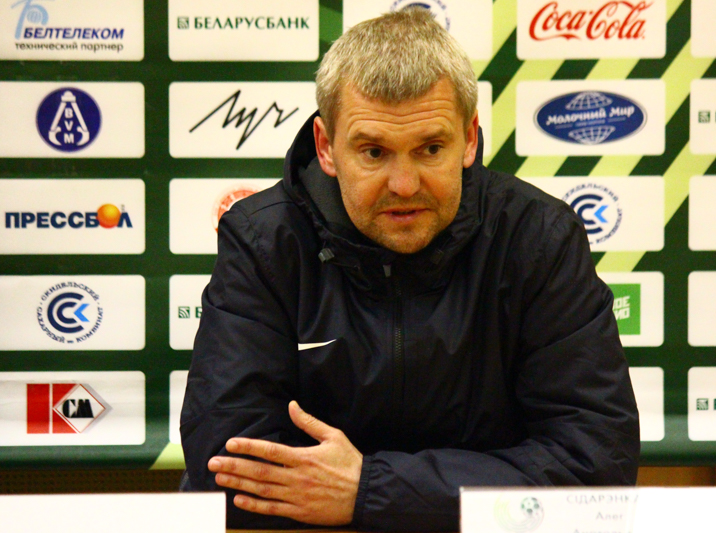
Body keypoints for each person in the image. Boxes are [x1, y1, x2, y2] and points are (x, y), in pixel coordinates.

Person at [180, 8, 640, 531]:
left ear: (469, 139)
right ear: (326, 147)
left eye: (430, 149)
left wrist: (370, 490)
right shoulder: (264, 242)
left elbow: (596, 465)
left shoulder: (539, 239)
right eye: (374, 152)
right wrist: (450, 490)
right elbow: (228, 468)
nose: (404, 184)